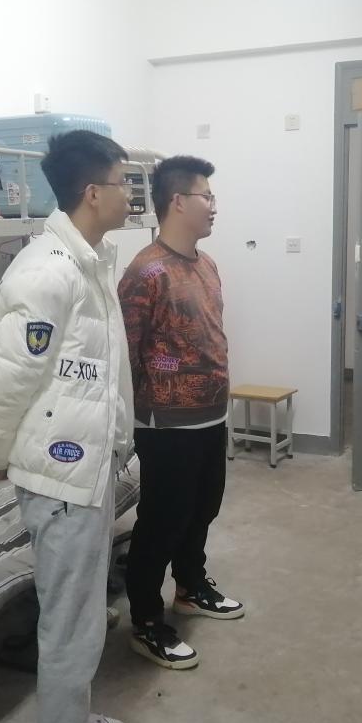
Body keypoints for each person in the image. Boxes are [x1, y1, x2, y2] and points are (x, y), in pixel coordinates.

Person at [0, 130, 133, 723]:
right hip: (63, 478)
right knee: (70, 622)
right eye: (123, 183)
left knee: (80, 613)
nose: (130, 195)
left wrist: (119, 442)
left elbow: (96, 374)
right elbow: (3, 383)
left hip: (87, 466)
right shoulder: (48, 273)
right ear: (93, 193)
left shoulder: (90, 263)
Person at [118, 155, 244, 670]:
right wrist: (149, 402)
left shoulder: (206, 264)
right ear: (177, 201)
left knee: (203, 507)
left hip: (211, 415)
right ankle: (146, 622)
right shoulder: (145, 272)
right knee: (162, 522)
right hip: (166, 424)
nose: (214, 206)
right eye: (206, 196)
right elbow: (127, 354)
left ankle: (190, 587)